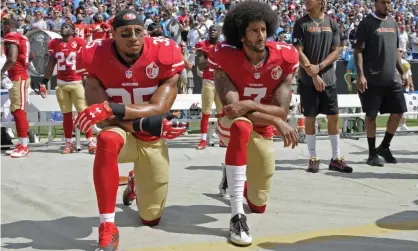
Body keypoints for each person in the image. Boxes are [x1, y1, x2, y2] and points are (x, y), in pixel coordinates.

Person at [74, 10, 186, 251]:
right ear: (113, 35)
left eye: (138, 31)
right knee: (106, 139)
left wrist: (110, 107)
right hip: (123, 132)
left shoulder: (164, 53)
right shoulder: (95, 55)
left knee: (151, 218)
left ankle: (135, 182)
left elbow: (159, 107)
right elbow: (104, 121)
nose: (133, 37)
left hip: (151, 140)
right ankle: (108, 225)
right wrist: (137, 123)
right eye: (125, 33)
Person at [209, 1, 299, 246]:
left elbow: (280, 110)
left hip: (263, 130)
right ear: (241, 35)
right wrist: (272, 119)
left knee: (259, 205)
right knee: (240, 124)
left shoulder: (284, 56)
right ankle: (236, 215)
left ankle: (233, 175)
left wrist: (253, 107)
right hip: (232, 125)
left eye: (263, 29)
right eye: (253, 30)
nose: (261, 35)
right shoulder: (224, 55)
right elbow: (233, 109)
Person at [292, 0, 353, 173]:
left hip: (329, 79)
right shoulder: (301, 24)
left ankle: (336, 158)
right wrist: (313, 74)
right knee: (310, 118)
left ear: (320, 2)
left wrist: (319, 68)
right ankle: (313, 158)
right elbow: (298, 51)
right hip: (307, 80)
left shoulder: (331, 22)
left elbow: (336, 50)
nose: (306, 2)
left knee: (333, 116)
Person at [354, 0, 408, 167]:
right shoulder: (366, 23)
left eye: (389, 2)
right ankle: (372, 154)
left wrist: (402, 71)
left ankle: (384, 146)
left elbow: (396, 51)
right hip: (371, 80)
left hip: (392, 79)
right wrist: (361, 75)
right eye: (384, 2)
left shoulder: (393, 22)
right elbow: (358, 51)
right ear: (376, 3)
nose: (387, 5)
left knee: (398, 112)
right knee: (371, 117)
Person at [42, 22, 96, 154]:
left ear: (73, 31)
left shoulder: (80, 42)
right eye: (62, 26)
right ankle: (69, 143)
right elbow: (51, 64)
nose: (63, 28)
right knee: (66, 115)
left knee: (84, 112)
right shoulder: (55, 43)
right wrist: (44, 82)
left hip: (76, 82)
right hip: (61, 83)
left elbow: (88, 61)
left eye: (67, 26)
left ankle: (90, 141)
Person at [1, 18, 31, 158]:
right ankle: (21, 143)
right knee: (17, 110)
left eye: (3, 26)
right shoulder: (23, 37)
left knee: (18, 110)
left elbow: (12, 58)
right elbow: (31, 56)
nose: (3, 28)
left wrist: (1, 72)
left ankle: (24, 146)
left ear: (9, 26)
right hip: (20, 75)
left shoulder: (11, 36)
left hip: (18, 76)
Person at [195, 25, 224, 150]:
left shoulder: (223, 46)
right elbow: (201, 65)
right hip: (209, 81)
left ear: (219, 32)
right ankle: (202, 140)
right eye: (210, 29)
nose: (212, 31)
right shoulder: (203, 45)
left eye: (215, 29)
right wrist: (216, 59)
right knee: (206, 111)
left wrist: (210, 58)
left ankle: (223, 138)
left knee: (221, 112)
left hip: (221, 81)